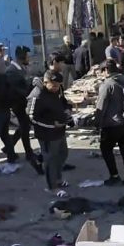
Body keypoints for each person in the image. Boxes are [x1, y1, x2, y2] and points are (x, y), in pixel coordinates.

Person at [27, 70, 73, 198]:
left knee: (62, 154)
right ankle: (52, 187)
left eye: (58, 85)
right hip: (46, 133)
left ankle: (58, 179)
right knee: (50, 160)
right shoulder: (37, 95)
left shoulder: (58, 89)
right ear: (46, 82)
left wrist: (68, 109)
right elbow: (31, 116)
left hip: (60, 130)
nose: (56, 88)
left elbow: (62, 101)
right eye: (54, 85)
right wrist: (52, 123)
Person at [96, 59, 124, 186]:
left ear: (106, 70)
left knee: (106, 149)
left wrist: (97, 123)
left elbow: (101, 106)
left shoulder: (107, 84)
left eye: (101, 72)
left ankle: (114, 176)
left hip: (112, 124)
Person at [5, 45, 43, 174]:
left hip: (21, 102)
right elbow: (18, 89)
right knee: (25, 126)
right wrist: (30, 85)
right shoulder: (11, 70)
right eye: (27, 56)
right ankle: (27, 153)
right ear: (22, 57)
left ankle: (10, 146)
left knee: (24, 126)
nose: (29, 58)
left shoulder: (19, 68)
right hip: (17, 103)